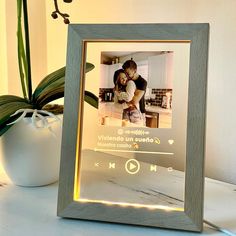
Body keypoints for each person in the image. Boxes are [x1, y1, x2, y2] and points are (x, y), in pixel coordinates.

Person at [122, 59, 147, 126]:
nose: (127, 76)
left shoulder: (142, 82)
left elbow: (134, 101)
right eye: (125, 74)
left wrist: (123, 103)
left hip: (138, 112)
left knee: (138, 133)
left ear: (135, 70)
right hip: (126, 111)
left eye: (128, 74)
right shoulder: (126, 81)